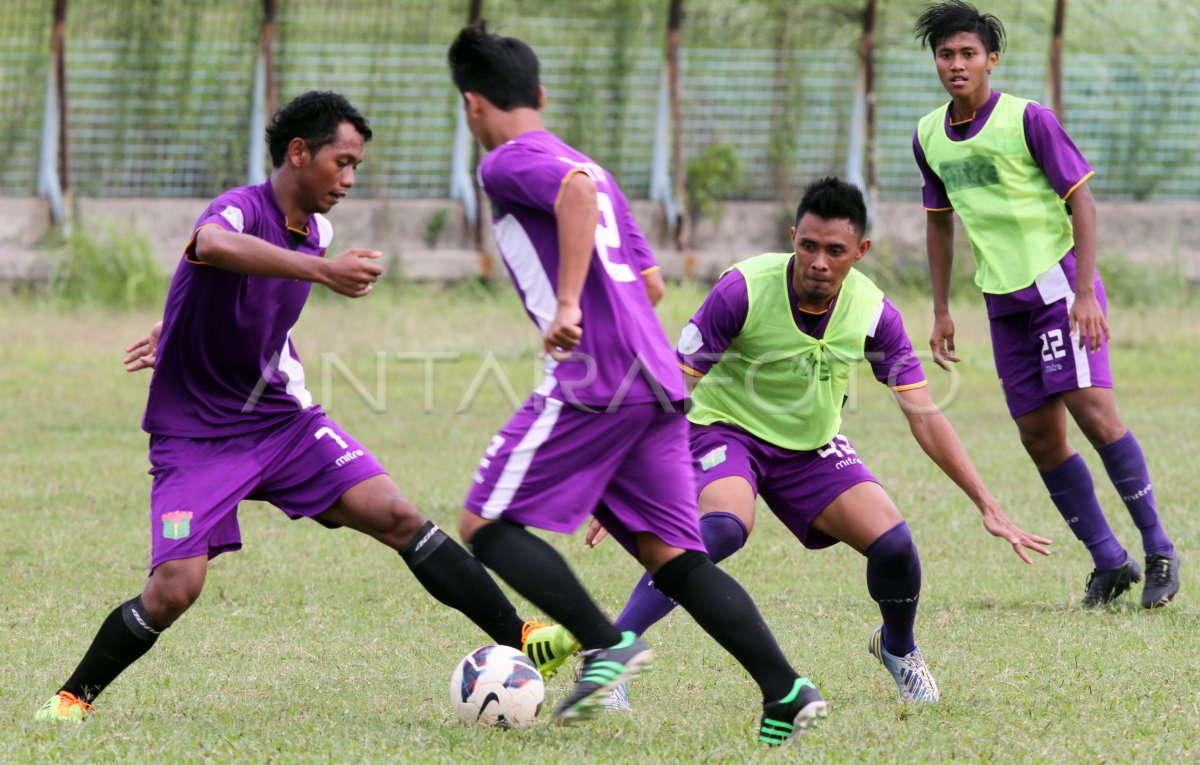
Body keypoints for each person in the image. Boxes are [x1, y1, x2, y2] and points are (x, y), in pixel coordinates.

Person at [34, 91, 575, 724]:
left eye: (356, 168)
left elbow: (246, 293)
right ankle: (72, 698)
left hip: (282, 421)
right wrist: (315, 275)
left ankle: (520, 634)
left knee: (397, 514)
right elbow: (210, 246)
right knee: (174, 590)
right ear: (299, 152)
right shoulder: (241, 207)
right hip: (196, 437)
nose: (348, 180)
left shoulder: (318, 229)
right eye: (341, 163)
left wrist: (175, 320)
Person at [447, 24, 826, 745]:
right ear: (541, 94)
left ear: (472, 105)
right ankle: (786, 688)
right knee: (673, 557)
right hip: (653, 376)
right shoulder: (595, 163)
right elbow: (649, 281)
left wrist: (566, 304)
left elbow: (573, 192)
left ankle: (604, 642)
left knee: (484, 523)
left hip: (599, 374)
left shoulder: (507, 163)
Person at [589, 177, 1051, 709]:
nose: (819, 262)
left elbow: (924, 414)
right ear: (793, 238)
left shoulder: (875, 314)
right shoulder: (742, 289)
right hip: (724, 428)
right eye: (808, 246)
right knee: (724, 527)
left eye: (835, 251)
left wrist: (987, 505)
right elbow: (673, 388)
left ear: (861, 251)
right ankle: (610, 654)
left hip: (809, 446)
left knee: (895, 546)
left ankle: (898, 649)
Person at [912, 1, 1179, 608]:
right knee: (1036, 433)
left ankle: (1160, 546)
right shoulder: (929, 135)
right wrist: (941, 310)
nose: (956, 64)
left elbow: (1082, 200)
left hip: (1058, 287)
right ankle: (1110, 560)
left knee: (1092, 411)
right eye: (946, 54)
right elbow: (939, 223)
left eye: (968, 54)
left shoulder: (1027, 118)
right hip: (1002, 301)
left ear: (991, 60)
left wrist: (1084, 292)